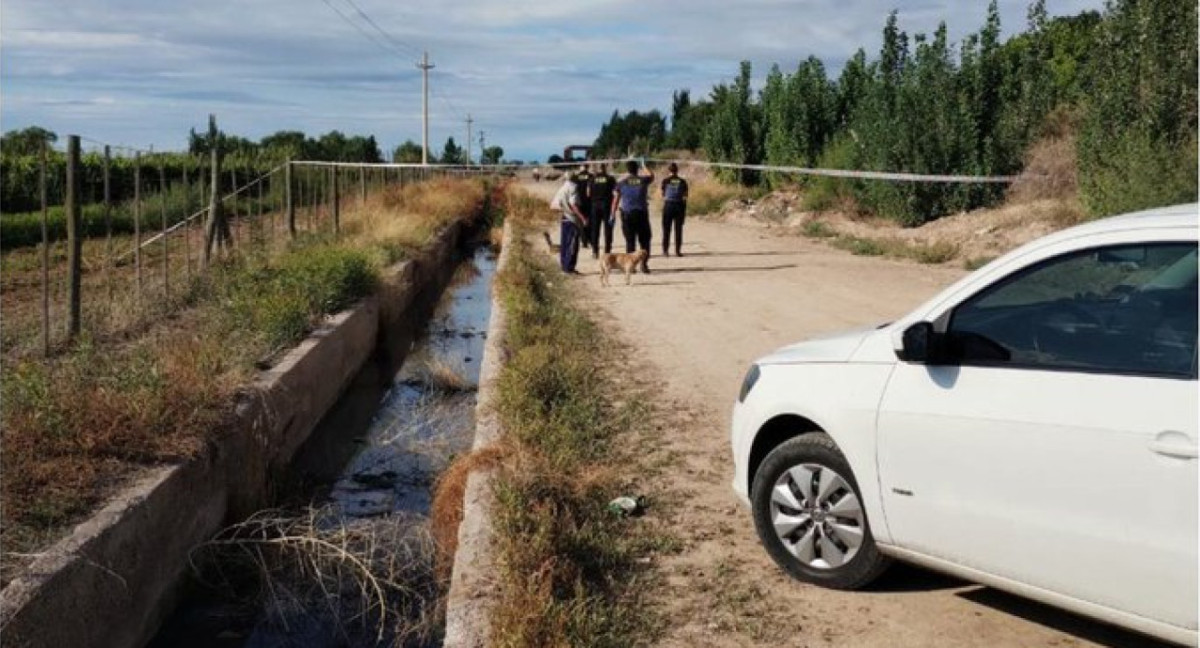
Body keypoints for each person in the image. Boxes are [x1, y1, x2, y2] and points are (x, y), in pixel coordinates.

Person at [612, 159, 655, 273]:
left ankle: (630, 267)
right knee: (645, 240)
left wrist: (612, 214)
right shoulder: (643, 180)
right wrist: (644, 165)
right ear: (637, 169)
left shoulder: (621, 183)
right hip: (641, 214)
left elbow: (616, 199)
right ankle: (644, 265)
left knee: (630, 241)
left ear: (627, 170)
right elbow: (651, 175)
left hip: (627, 215)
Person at [551, 170, 588, 273]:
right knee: (572, 244)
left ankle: (564, 266)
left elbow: (553, 205)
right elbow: (573, 204)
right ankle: (569, 268)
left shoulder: (562, 188)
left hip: (564, 218)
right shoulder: (574, 187)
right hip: (572, 219)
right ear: (574, 178)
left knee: (564, 243)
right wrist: (582, 218)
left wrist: (563, 209)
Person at [587, 162, 617, 257]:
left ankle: (595, 251)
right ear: (605, 168)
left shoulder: (592, 179)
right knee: (608, 229)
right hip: (607, 206)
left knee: (595, 229)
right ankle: (607, 251)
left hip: (595, 206)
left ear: (597, 169)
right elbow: (615, 192)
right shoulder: (610, 179)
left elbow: (587, 193)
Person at [660, 162, 689, 256]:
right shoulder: (683, 181)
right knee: (678, 230)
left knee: (666, 230)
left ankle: (665, 251)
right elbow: (685, 196)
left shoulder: (665, 181)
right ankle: (677, 251)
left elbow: (663, 194)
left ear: (669, 170)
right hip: (679, 205)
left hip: (668, 205)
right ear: (677, 171)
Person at [572, 163, 593, 253]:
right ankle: (590, 239)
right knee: (589, 221)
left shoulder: (576, 177)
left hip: (579, 201)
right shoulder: (591, 176)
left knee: (581, 221)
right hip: (589, 202)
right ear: (587, 168)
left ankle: (584, 241)